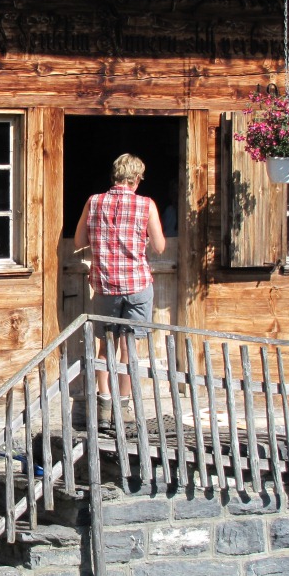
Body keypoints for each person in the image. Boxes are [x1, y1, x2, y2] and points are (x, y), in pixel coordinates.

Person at [74, 153, 166, 430]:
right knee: (129, 349)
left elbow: (79, 241)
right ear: (136, 178)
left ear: (114, 176)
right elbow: (160, 247)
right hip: (137, 285)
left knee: (105, 348)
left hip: (105, 286)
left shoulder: (94, 201)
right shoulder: (146, 205)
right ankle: (123, 408)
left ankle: (103, 407)